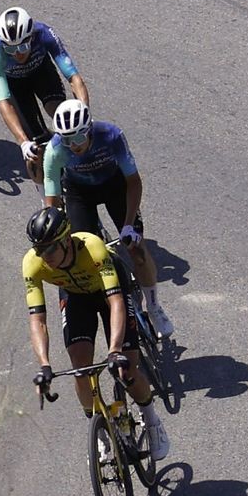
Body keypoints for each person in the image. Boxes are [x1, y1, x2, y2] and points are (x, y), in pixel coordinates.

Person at [24, 206, 170, 461]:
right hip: (76, 297)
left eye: (49, 249)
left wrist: (114, 350)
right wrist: (44, 365)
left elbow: (115, 303)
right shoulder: (32, 264)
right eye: (39, 249)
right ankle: (100, 431)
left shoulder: (92, 248)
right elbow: (37, 320)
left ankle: (152, 419)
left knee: (127, 368)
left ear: (66, 241)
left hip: (109, 291)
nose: (43, 256)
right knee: (81, 368)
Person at [42, 100, 174, 337]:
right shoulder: (55, 150)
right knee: (84, 255)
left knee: (137, 251)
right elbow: (52, 201)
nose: (74, 146)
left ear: (89, 130)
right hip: (78, 193)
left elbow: (133, 182)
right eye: (67, 140)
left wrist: (128, 225)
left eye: (78, 139)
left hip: (115, 186)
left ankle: (154, 307)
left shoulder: (111, 135)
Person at [0, 6, 90, 182]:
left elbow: (74, 77)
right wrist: (23, 142)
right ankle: (46, 201)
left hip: (42, 73)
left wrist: (85, 113)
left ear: (31, 37)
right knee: (35, 147)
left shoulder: (43, 33)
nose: (17, 54)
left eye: (23, 46)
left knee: (62, 116)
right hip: (15, 85)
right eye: (10, 50)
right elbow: (4, 101)